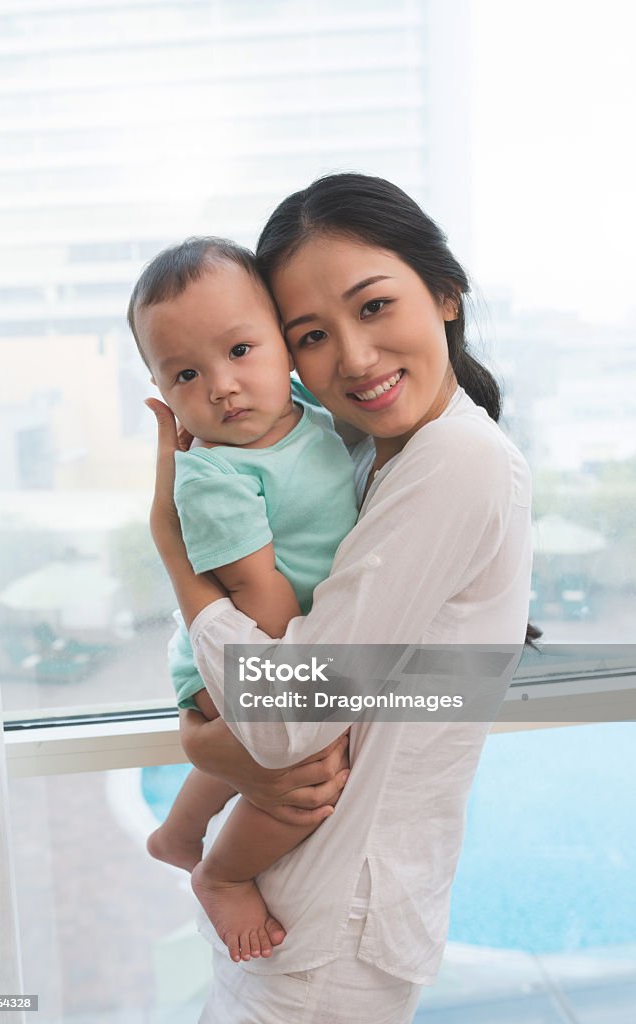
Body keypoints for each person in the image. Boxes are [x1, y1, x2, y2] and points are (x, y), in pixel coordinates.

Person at [146, 173, 534, 1024]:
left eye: (373, 306)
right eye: (313, 334)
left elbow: (290, 719)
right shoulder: (362, 456)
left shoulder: (456, 461)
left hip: (326, 936)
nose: (353, 359)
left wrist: (177, 561)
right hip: (299, 923)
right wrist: (210, 741)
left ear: (444, 293)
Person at [128, 238, 359, 964]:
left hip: (243, 640)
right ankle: (223, 875)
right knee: (305, 769)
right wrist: (307, 677)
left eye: (240, 350)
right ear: (163, 394)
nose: (222, 385)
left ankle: (179, 832)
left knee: (256, 753)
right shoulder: (214, 475)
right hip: (241, 641)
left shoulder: (299, 413)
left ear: (285, 349)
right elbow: (255, 589)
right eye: (187, 373)